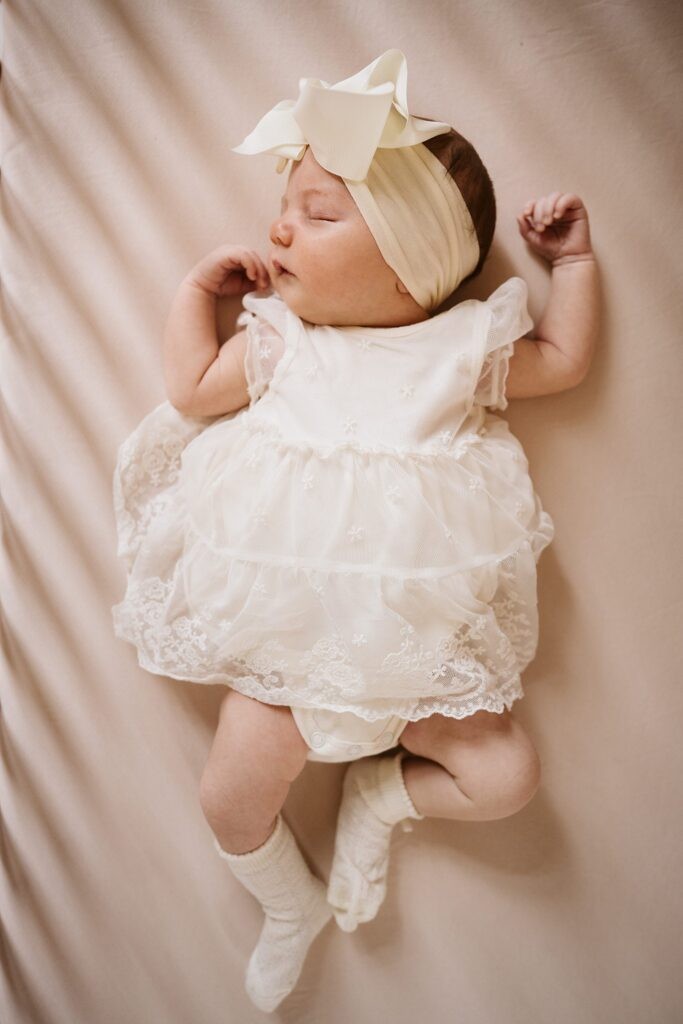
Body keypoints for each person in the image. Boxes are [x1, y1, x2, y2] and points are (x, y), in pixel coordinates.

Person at [111, 49, 599, 1013]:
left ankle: (385, 799)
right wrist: (192, 299)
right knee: (228, 798)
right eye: (285, 208)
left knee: (509, 775)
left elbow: (563, 360)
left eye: (319, 214)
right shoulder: (281, 345)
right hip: (288, 667)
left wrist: (572, 264)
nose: (280, 226)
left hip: (423, 673)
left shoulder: (460, 349)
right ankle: (289, 904)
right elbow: (191, 390)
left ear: (409, 263)